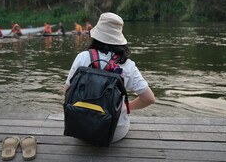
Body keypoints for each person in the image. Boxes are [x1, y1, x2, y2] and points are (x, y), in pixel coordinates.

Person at [63, 12, 156, 143]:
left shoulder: (82, 57)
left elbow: (66, 92)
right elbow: (149, 99)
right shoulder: (128, 66)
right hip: (114, 133)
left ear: (96, 35)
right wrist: (127, 107)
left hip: (80, 129)